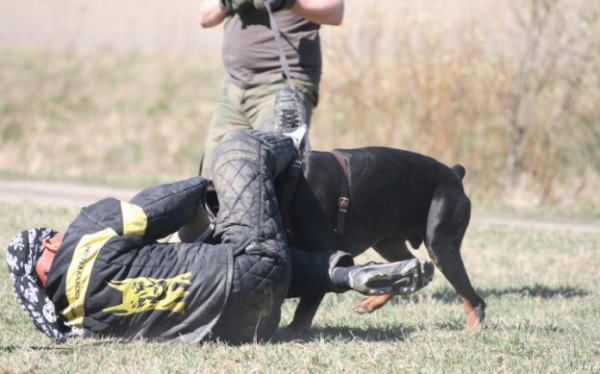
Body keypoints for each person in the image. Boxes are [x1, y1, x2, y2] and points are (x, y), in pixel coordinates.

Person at [6, 129, 434, 344]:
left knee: (240, 269)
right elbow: (161, 205)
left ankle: (345, 276)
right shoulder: (83, 233)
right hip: (248, 265)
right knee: (232, 147)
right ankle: (289, 141)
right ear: (48, 245)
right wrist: (209, 188)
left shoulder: (81, 319)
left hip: (242, 325)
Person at [196, 0, 345, 178]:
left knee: (279, 178)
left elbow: (335, 12)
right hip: (234, 88)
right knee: (211, 184)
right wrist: (227, 3)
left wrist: (289, 3)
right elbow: (204, 17)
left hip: (283, 87)